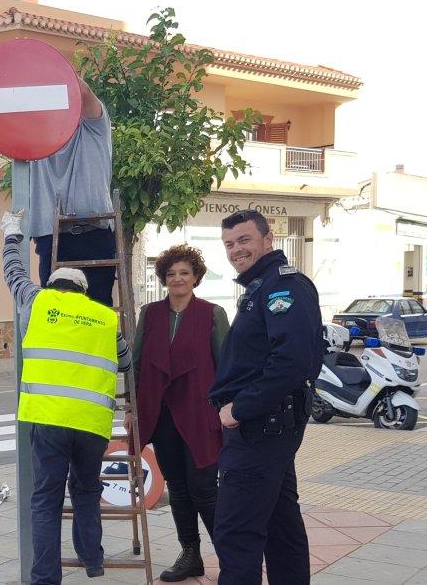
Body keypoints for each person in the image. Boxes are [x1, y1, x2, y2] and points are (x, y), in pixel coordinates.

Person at [1, 210, 130, 584]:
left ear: (53, 283)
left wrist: (12, 233)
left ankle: (46, 578)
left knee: (46, 501)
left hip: (49, 420)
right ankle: (93, 559)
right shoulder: (104, 317)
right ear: (84, 292)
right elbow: (124, 362)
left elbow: (13, 272)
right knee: (88, 491)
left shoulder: (35, 300)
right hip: (92, 425)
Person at [207, 210, 323, 585]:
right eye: (229, 244)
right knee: (280, 525)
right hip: (267, 427)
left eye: (244, 240)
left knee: (236, 533)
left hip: (260, 427)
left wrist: (240, 408)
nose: (236, 250)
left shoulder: (282, 287)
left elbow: (291, 362)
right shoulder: (263, 286)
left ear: (267, 239)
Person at [126, 245, 229, 581]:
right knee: (180, 488)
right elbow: (137, 364)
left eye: (184, 272)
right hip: (162, 412)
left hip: (200, 414)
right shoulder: (150, 314)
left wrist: (227, 410)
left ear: (196, 277)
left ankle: (231, 559)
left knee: (204, 489)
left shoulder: (212, 314)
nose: (177, 278)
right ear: (164, 279)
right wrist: (132, 407)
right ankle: (190, 555)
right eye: (171, 273)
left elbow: (226, 368)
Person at [29, 76, 116, 305]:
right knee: (57, 313)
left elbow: (84, 90)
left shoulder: (92, 126)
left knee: (96, 310)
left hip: (93, 232)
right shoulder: (35, 136)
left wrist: (48, 71)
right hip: (50, 235)